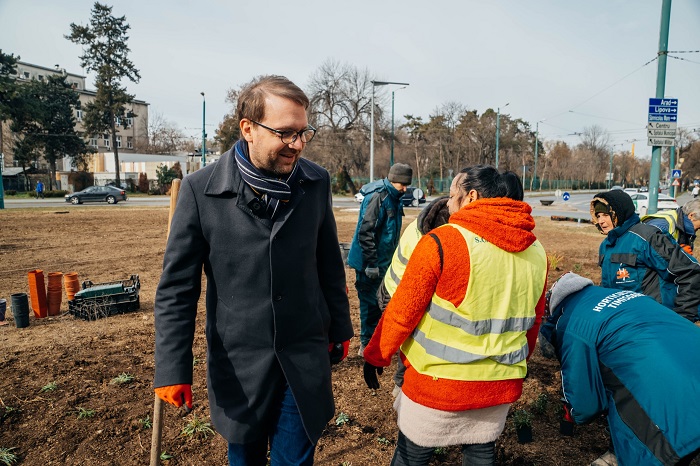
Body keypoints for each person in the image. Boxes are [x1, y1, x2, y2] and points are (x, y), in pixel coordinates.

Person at [153, 75, 353, 466]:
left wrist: (340, 327)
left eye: (303, 132)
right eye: (285, 133)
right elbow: (177, 291)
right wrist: (171, 367)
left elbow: (329, 262)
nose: (297, 144)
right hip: (240, 366)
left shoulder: (315, 182)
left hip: (303, 356)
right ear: (248, 128)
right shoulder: (201, 191)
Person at [363, 165, 548, 466]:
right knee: (480, 454)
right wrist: (517, 364)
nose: (447, 204)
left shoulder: (443, 241)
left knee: (411, 456)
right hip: (498, 386)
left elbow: (401, 312)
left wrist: (376, 356)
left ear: (471, 196)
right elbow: (533, 322)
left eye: (451, 196)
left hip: (438, 386)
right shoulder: (536, 251)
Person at [539, 272, 700, 466]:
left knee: (668, 445)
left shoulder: (571, 322)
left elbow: (585, 405)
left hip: (671, 407)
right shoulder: (625, 296)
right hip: (690, 367)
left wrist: (572, 412)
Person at [590, 189, 700, 323]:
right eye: (598, 215)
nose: (601, 221)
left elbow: (690, 272)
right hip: (623, 322)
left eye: (606, 215)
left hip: (654, 322)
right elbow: (608, 286)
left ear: (619, 212)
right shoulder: (606, 245)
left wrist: (682, 319)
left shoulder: (647, 237)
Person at [377, 195, 451, 393]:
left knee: (407, 341)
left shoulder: (422, 223)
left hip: (391, 289)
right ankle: (401, 386)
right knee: (410, 342)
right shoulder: (431, 241)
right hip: (396, 295)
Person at [347, 163, 412, 356]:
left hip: (383, 262)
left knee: (382, 302)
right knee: (370, 304)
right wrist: (371, 264)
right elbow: (365, 232)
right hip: (370, 263)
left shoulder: (394, 197)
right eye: (403, 184)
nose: (406, 189)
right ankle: (366, 345)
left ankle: (376, 340)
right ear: (393, 180)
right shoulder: (378, 197)